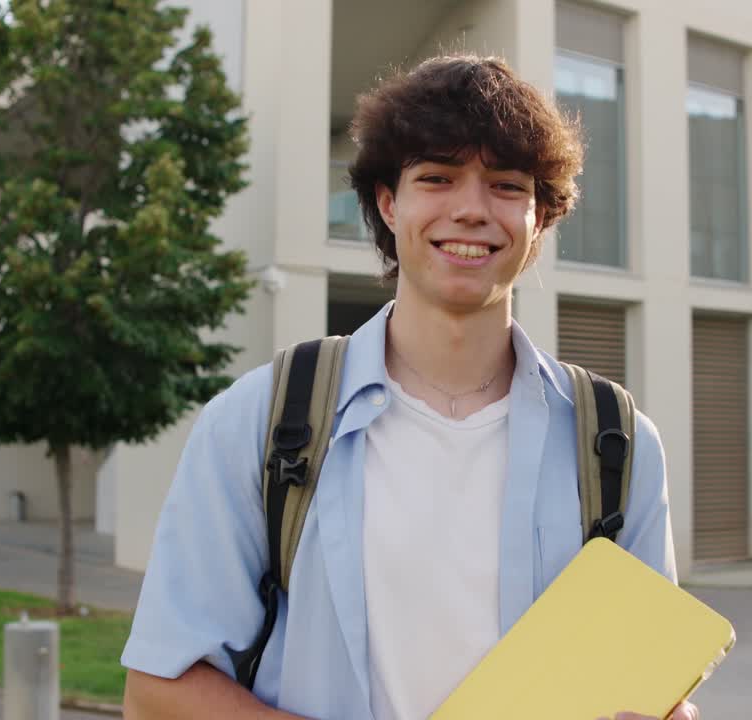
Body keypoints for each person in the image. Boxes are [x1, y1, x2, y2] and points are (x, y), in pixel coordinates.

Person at [121, 54, 700, 720]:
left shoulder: (616, 443)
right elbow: (159, 688)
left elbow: (650, 686)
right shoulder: (264, 418)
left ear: (541, 218)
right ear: (388, 203)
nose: (472, 210)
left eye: (507, 186)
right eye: (437, 177)